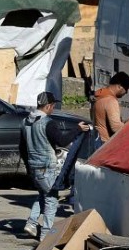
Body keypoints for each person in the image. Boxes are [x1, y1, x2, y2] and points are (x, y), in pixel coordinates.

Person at [23, 91, 90, 240]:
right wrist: (77, 129)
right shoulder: (48, 123)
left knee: (43, 194)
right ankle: (46, 235)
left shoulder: (26, 121)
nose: (53, 109)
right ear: (48, 106)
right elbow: (62, 140)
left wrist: (28, 167)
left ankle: (31, 223)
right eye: (53, 106)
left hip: (33, 166)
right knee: (52, 199)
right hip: (46, 167)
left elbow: (22, 147)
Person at [91, 72, 129, 143]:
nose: (126, 92)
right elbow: (116, 128)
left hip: (96, 140)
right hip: (105, 143)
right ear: (119, 86)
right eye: (126, 89)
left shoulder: (98, 96)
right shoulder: (111, 101)